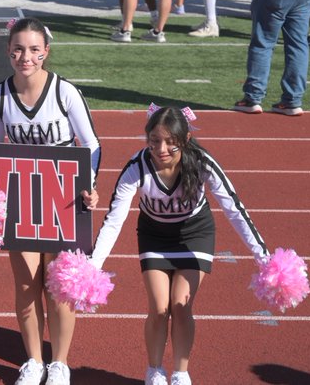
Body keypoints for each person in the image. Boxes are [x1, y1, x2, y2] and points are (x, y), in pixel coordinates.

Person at [90, 105, 269, 385]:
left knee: (181, 305)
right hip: (154, 236)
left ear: (184, 140)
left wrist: (263, 256)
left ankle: (181, 373)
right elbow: (114, 220)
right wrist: (93, 266)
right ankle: (154, 371)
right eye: (155, 141)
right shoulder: (136, 168)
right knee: (159, 307)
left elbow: (234, 208)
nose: (161, 149)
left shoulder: (202, 163)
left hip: (194, 234)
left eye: (170, 143)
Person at [0, 18, 99, 385]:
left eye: (34, 49)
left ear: (46, 52)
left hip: (64, 196)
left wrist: (89, 183)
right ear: (8, 51)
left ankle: (59, 362)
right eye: (18, 49)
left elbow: (91, 145)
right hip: (20, 197)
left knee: (59, 282)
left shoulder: (65, 92)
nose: (25, 57)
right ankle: (34, 360)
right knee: (25, 284)